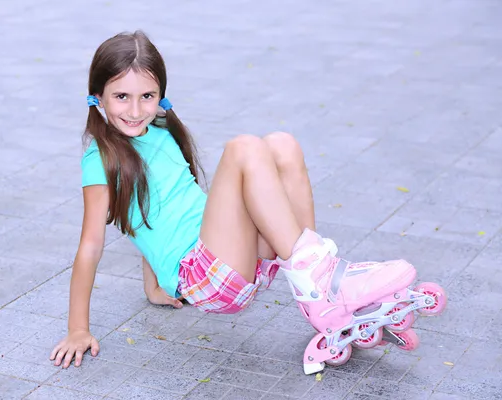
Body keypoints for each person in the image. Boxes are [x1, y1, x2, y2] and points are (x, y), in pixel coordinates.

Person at [50, 30, 447, 374]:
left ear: (160, 95)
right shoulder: (98, 160)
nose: (135, 110)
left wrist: (152, 286)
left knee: (281, 145)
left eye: (147, 96)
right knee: (243, 148)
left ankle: (318, 286)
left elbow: (158, 210)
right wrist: (77, 329)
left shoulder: (161, 129)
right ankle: (324, 285)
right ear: (97, 96)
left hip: (234, 257)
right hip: (204, 277)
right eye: (121, 96)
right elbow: (91, 245)